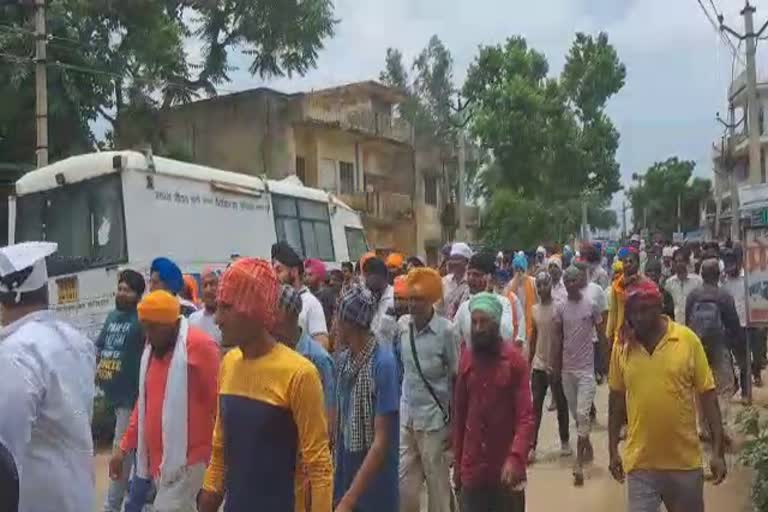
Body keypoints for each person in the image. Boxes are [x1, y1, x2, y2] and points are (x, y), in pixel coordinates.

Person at [198, 259, 333, 512]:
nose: (217, 319)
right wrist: (210, 493)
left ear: (252, 310)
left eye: (226, 308)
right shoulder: (229, 364)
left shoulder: (299, 373)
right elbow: (220, 447)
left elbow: (319, 467)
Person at [608, 280, 726, 512]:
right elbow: (616, 401)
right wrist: (613, 451)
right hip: (640, 464)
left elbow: (708, 397)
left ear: (659, 306)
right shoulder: (622, 347)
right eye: (634, 311)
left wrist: (718, 452)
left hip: (684, 465)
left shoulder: (687, 340)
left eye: (645, 309)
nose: (639, 317)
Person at [0, 242, 95, 512]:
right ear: (46, 291)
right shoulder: (76, 341)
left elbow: (4, 453)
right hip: (77, 497)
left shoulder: (16, 354)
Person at [110, 290, 219, 512]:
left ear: (169, 324)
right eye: (145, 327)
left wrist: (222, 462)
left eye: (153, 328)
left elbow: (220, 404)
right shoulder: (151, 352)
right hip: (162, 466)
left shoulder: (199, 346)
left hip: (192, 461)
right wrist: (122, 448)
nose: (147, 335)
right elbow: (144, 406)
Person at [453, 293, 534, 512]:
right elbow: (459, 415)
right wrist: (458, 465)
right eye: (474, 322)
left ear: (496, 324)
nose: (478, 328)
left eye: (484, 322)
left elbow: (525, 417)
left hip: (506, 472)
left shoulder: (514, 361)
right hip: (472, 470)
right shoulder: (467, 360)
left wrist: (516, 457)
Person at [333, 286, 401, 512]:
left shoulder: (383, 364)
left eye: (338, 317)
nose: (334, 324)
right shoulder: (343, 361)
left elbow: (381, 442)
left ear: (349, 323)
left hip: (375, 488)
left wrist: (349, 500)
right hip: (346, 475)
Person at [398, 268, 457, 512]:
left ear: (432, 299)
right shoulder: (402, 326)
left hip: (435, 419)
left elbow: (455, 378)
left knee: (437, 483)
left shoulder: (446, 331)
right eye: (410, 298)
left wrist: (454, 425)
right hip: (408, 415)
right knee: (404, 483)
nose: (412, 304)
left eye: (419, 299)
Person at [275, 283, 337, 512]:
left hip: (308, 465)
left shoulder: (318, 359)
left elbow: (329, 420)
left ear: (291, 316)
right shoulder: (273, 353)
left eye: (276, 316)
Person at [97, 269, 146, 512]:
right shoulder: (111, 317)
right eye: (120, 288)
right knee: (134, 453)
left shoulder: (140, 321)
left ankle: (111, 506)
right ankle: (140, 498)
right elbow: (99, 346)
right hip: (112, 397)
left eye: (127, 290)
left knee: (120, 454)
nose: (121, 293)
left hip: (130, 398)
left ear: (138, 294)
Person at [552, 266, 606, 486]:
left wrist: (604, 363)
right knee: (577, 415)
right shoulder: (561, 308)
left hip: (586, 370)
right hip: (567, 370)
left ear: (581, 281)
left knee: (583, 414)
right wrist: (555, 368)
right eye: (567, 280)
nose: (570, 283)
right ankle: (587, 444)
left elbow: (601, 335)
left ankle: (579, 465)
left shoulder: (591, 306)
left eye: (573, 280)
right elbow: (557, 339)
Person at [685, 259, 741, 433]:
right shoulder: (724, 296)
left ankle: (703, 427)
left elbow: (687, 322)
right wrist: (735, 348)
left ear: (701, 275)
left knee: (700, 386)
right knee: (725, 387)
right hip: (719, 346)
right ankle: (721, 425)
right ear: (719, 275)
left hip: (697, 346)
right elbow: (734, 325)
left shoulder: (693, 295)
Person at [528, 272, 571, 463]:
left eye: (545, 284)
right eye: (538, 285)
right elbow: (534, 338)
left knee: (561, 405)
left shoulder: (559, 309)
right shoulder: (534, 310)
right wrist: (529, 362)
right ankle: (531, 446)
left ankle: (565, 441)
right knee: (535, 407)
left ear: (550, 286)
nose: (541, 288)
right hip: (538, 364)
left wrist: (560, 362)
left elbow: (564, 337)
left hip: (556, 366)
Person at [454, 252, 524, 350]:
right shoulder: (464, 307)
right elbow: (454, 339)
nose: (470, 279)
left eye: (476, 275)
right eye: (469, 274)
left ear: (489, 277)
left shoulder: (505, 302)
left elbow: (508, 335)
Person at [272, 242, 330, 349]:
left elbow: (322, 345)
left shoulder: (311, 303)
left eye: (279, 270)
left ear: (294, 272)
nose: (275, 276)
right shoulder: (275, 303)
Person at [722, 249, 765, 391]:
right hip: (734, 326)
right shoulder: (724, 282)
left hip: (751, 323)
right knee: (741, 360)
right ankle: (743, 390)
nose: (730, 270)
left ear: (739, 263)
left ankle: (757, 372)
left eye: (732, 265)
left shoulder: (749, 277)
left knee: (757, 354)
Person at [606, 247, 645, 345]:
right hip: (620, 335)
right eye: (625, 262)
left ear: (638, 264)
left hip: (640, 333)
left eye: (631, 261)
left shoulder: (644, 284)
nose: (628, 264)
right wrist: (609, 334)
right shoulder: (616, 285)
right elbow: (613, 311)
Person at [665, 247, 703, 325]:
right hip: (676, 325)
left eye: (681, 261)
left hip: (693, 324)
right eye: (676, 261)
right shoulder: (669, 283)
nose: (678, 264)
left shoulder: (697, 281)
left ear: (687, 262)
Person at [506, 252, 537, 342]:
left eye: (521, 270)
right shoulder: (510, 285)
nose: (519, 273)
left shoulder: (533, 282)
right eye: (516, 270)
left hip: (531, 322)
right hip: (517, 324)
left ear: (525, 270)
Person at [189, 269, 223, 347]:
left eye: (212, 284)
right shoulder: (192, 319)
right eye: (205, 285)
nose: (208, 289)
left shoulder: (229, 320)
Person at [442, 242, 473, 320]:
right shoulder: (444, 281)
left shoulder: (472, 282)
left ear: (467, 262)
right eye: (452, 259)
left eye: (457, 259)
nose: (453, 262)